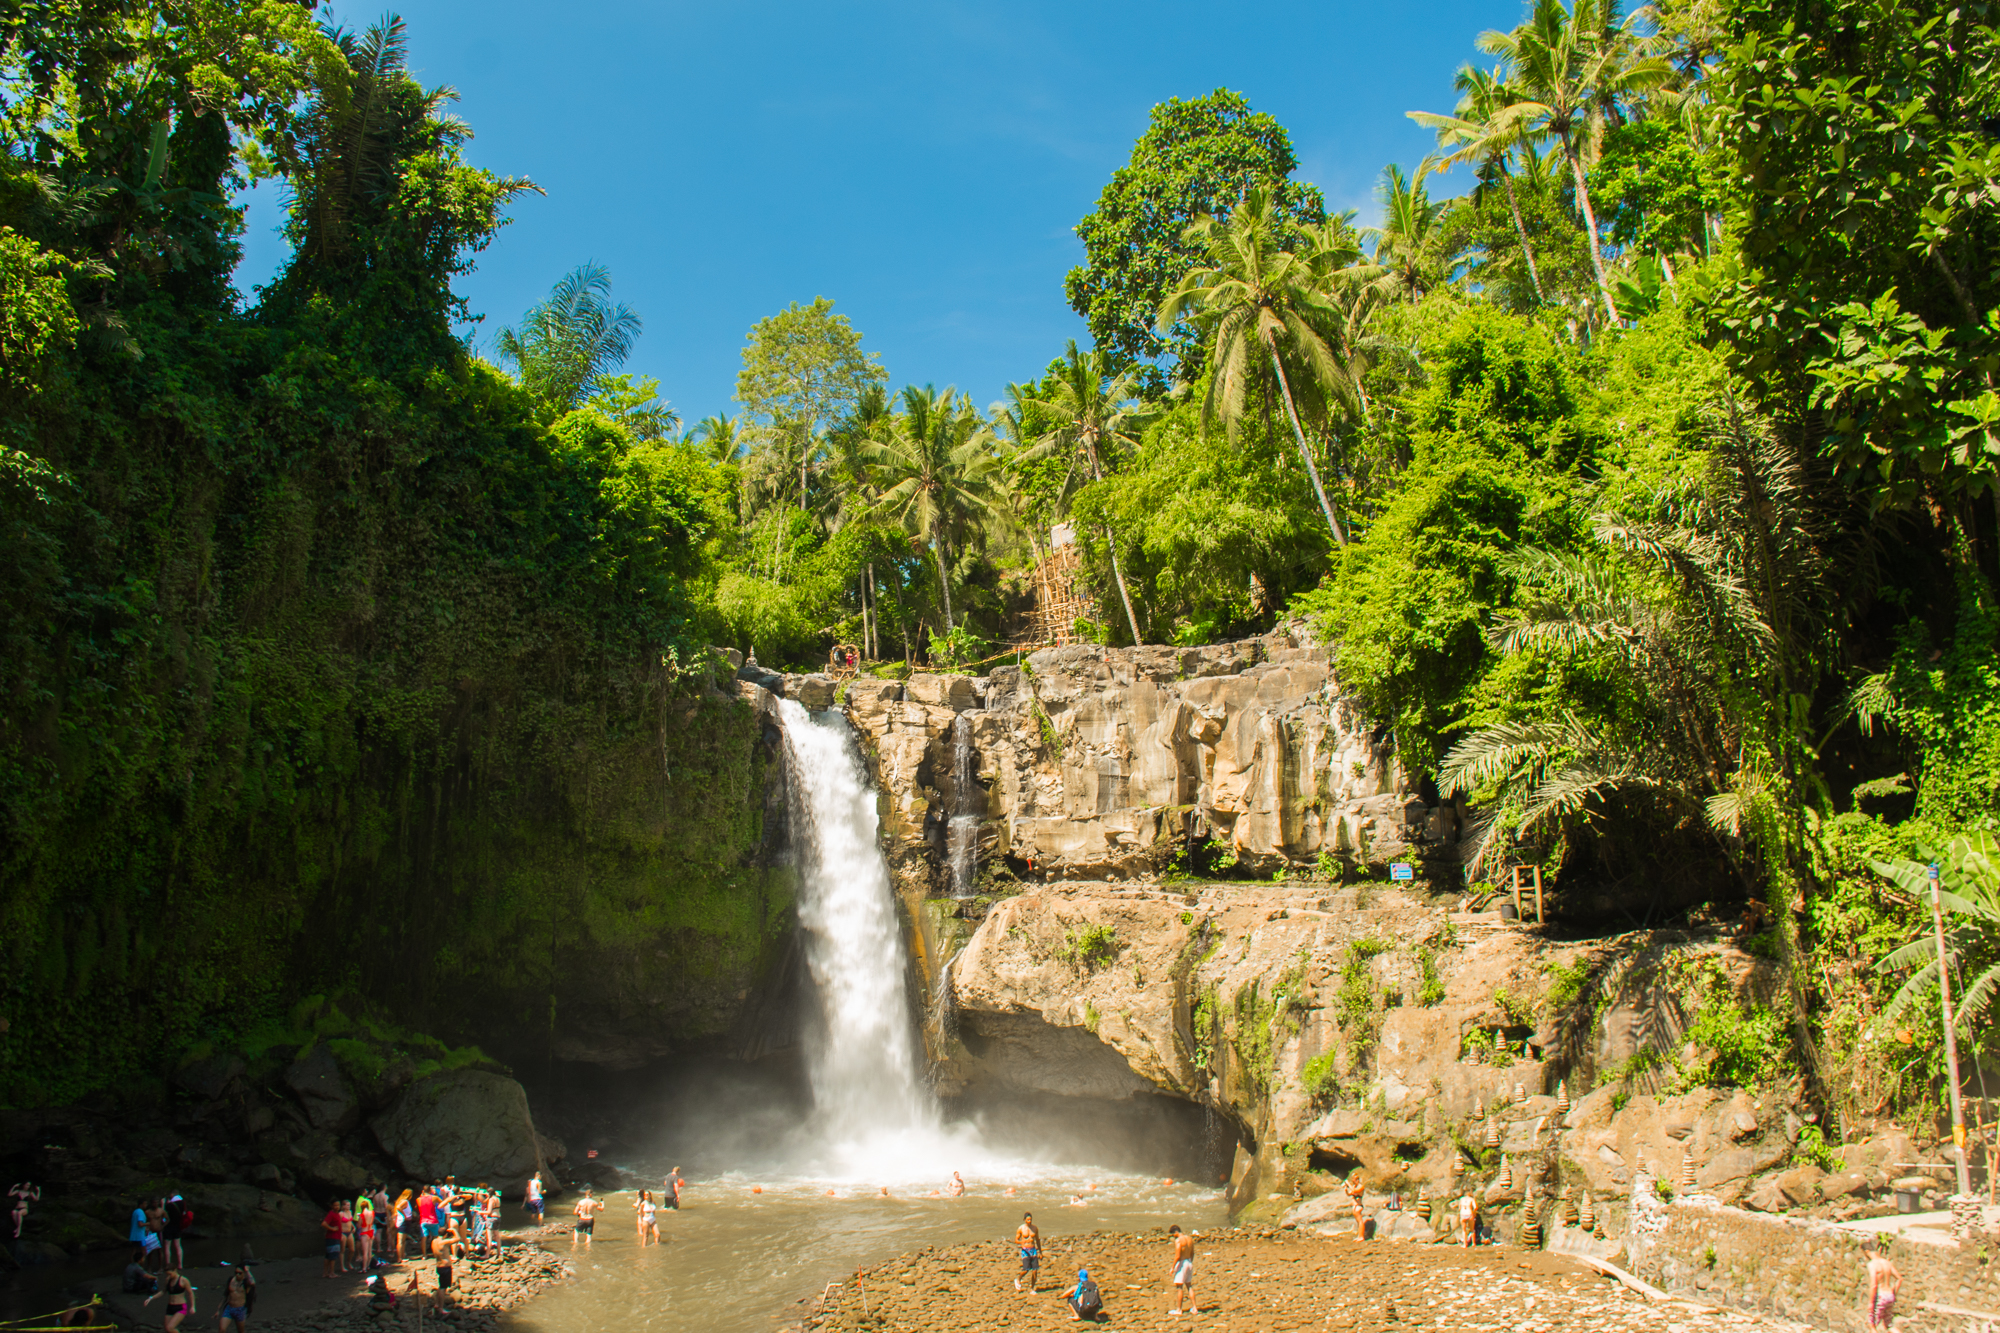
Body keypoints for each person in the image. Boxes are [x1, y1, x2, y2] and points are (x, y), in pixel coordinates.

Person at [1865, 1237, 1901, 1329]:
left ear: (1866, 1252)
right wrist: (1894, 1292)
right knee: (1888, 1325)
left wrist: (1870, 1302)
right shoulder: (1887, 1263)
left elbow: (1874, 1285)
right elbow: (1899, 1279)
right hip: (1889, 1295)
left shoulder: (1872, 1264)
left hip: (1880, 1296)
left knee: (1872, 1325)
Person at [142, 1266, 193, 1333]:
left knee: (170, 1328)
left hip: (180, 1307)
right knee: (166, 1329)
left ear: (175, 1270)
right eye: (167, 1274)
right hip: (170, 1307)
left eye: (170, 1274)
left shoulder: (183, 1280)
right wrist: (151, 1298)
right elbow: (163, 1291)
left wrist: (192, 1306)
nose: (169, 1276)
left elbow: (190, 1293)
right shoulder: (168, 1280)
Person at [429, 1225, 460, 1313]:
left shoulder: (434, 1241)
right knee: (443, 1287)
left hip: (439, 1266)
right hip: (445, 1267)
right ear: (445, 1234)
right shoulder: (443, 1243)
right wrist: (454, 1230)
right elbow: (458, 1239)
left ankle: (437, 1304)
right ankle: (441, 1308)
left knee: (441, 1285)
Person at [216, 1263, 254, 1333]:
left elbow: (252, 1283)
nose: (237, 1275)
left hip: (240, 1309)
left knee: (240, 1331)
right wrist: (218, 1309)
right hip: (229, 1308)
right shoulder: (231, 1280)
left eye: (240, 1273)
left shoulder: (245, 1283)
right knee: (222, 1329)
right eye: (236, 1273)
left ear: (243, 1273)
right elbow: (225, 1295)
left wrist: (248, 1271)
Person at [1167, 1225, 1196, 1317]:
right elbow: (1192, 1253)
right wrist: (1190, 1261)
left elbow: (1178, 1256)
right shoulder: (1189, 1239)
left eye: (1173, 1235)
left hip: (1182, 1263)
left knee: (1179, 1287)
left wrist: (1172, 1267)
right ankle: (1195, 1308)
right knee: (1189, 1285)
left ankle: (1179, 1310)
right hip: (1189, 1261)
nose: (1173, 1237)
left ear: (1176, 1232)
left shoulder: (1178, 1240)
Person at [1013, 1214, 1041, 1294]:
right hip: (1025, 1250)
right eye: (1028, 1220)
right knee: (1026, 1269)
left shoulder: (1035, 1228)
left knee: (1035, 1271)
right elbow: (1016, 1240)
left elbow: (1037, 1240)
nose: (1029, 1221)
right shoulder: (1021, 1228)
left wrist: (1040, 1251)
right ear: (1024, 1220)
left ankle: (1032, 1288)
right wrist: (1022, 1242)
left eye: (1030, 1219)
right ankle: (1018, 1279)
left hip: (1033, 1250)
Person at [159, 1195, 186, 1271]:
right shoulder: (182, 1204)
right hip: (177, 1227)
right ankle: (180, 1264)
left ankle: (168, 1264)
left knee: (167, 1246)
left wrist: (163, 1204)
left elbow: (162, 1214)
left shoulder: (168, 1206)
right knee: (178, 1245)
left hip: (168, 1227)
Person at [320, 1200, 345, 1278]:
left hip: (335, 1237)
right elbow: (324, 1223)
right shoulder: (331, 1214)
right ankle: (331, 1273)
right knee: (333, 1256)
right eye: (335, 1205)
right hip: (332, 1238)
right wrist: (332, 1229)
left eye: (338, 1205)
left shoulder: (337, 1214)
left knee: (328, 1256)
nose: (337, 1207)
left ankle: (325, 1273)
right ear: (332, 1206)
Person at [355, 1194, 374, 1272]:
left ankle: (364, 1268)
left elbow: (359, 1226)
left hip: (364, 1233)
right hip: (371, 1231)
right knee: (370, 1251)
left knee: (365, 1252)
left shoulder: (362, 1215)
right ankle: (368, 1266)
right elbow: (372, 1222)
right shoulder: (371, 1213)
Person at [1346, 1171, 1367, 1240]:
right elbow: (1350, 1193)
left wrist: (1348, 1184)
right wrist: (1346, 1190)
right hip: (1355, 1206)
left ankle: (1361, 1237)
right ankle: (1359, 1236)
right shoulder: (1355, 1186)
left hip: (1358, 1206)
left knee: (1360, 1221)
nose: (1354, 1181)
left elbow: (1355, 1191)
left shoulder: (1361, 1187)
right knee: (1358, 1222)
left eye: (1355, 1179)